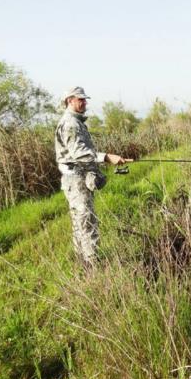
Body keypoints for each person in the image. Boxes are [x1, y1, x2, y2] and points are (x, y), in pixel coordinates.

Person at [55, 86, 133, 267]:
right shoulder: (71, 124)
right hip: (75, 179)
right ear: (69, 100)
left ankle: (82, 262)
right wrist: (106, 157)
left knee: (79, 222)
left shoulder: (76, 122)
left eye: (84, 99)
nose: (84, 103)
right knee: (86, 221)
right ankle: (93, 266)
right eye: (80, 99)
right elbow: (79, 153)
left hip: (76, 179)